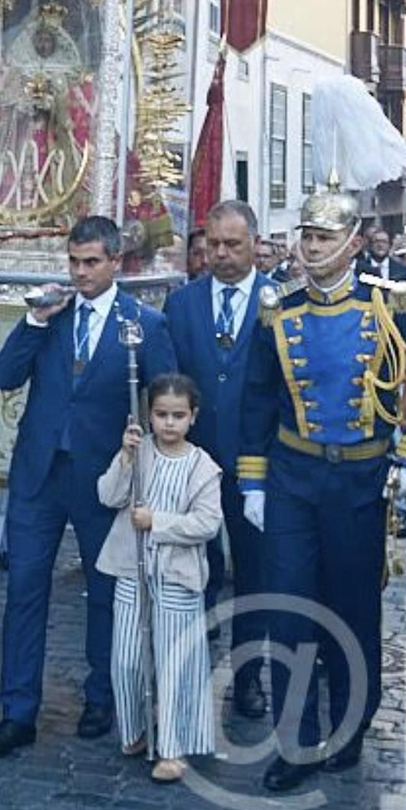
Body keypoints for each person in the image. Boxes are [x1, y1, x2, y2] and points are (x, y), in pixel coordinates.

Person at [239, 184, 406, 790]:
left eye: (324, 236)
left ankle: (350, 729)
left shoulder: (390, 304)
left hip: (359, 477)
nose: (310, 246)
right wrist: (253, 481)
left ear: (355, 243)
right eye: (306, 234)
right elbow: (257, 399)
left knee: (352, 609)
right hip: (294, 476)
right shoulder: (279, 309)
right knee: (289, 609)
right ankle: (295, 742)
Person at [0, 217, 178, 758]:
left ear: (115, 262)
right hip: (40, 473)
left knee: (105, 591)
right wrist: (35, 322)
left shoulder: (144, 324)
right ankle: (17, 709)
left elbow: (169, 402)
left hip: (104, 477)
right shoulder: (52, 315)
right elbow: (3, 376)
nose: (82, 272)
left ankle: (101, 695)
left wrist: (151, 455)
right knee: (23, 589)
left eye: (91, 262)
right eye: (74, 262)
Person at [162, 199, 269, 719]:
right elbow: (169, 379)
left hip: (256, 463)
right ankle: (193, 672)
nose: (221, 255)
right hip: (195, 461)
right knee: (196, 569)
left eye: (233, 245)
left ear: (256, 244)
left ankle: (247, 678)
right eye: (213, 245)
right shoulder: (181, 305)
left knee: (254, 572)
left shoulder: (280, 301)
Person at [97, 374, 222, 783]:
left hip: (177, 575)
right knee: (126, 658)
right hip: (132, 569)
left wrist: (158, 522)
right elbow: (109, 496)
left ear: (193, 417)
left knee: (174, 664)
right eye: (161, 415)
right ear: (148, 415)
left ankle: (172, 746)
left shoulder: (203, 466)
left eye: (178, 416)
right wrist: (125, 458)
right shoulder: (140, 453)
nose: (169, 424)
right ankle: (135, 730)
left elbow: (207, 522)